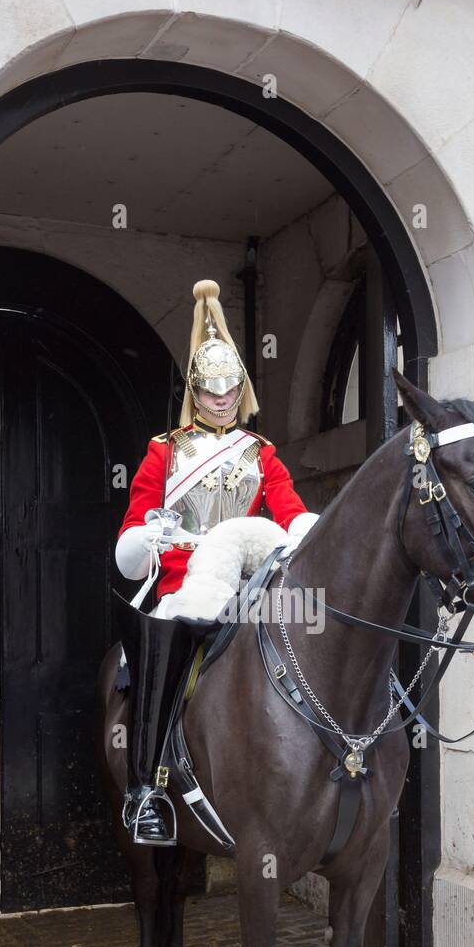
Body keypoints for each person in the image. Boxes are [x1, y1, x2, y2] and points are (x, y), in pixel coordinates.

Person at [115, 278, 317, 843]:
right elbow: (132, 531)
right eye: (212, 391)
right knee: (164, 652)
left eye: (232, 391)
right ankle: (146, 792)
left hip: (249, 583)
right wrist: (149, 539)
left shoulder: (263, 454)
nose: (223, 400)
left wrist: (310, 532)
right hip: (183, 580)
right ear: (195, 391)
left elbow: (290, 511)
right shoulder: (164, 450)